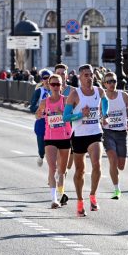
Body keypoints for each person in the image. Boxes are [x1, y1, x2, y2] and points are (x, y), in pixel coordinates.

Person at [63, 64, 109, 217]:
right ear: (80, 77)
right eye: (86, 75)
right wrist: (80, 115)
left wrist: (105, 114)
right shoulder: (74, 95)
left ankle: (93, 196)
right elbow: (66, 117)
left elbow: (105, 101)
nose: (89, 78)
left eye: (91, 75)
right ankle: (80, 201)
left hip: (95, 133)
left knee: (97, 164)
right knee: (80, 171)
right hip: (79, 135)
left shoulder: (98, 90)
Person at [36, 73, 73, 209]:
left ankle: (61, 193)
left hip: (64, 138)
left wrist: (63, 113)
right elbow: (38, 114)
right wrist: (39, 114)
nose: (56, 87)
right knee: (52, 168)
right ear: (49, 86)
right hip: (50, 138)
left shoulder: (66, 100)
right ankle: (54, 199)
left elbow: (73, 116)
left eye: (58, 84)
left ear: (62, 85)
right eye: (53, 84)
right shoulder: (44, 102)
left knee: (62, 171)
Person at [102, 71, 128, 199]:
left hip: (121, 133)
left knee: (121, 166)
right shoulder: (102, 97)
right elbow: (98, 112)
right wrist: (102, 119)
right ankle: (116, 189)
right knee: (113, 160)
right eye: (109, 82)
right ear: (105, 84)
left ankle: (116, 177)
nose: (112, 84)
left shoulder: (123, 95)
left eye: (114, 81)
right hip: (108, 132)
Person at [54, 63, 74, 200]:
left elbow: (78, 111)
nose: (61, 75)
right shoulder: (50, 90)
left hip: (71, 132)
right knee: (60, 164)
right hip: (54, 132)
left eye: (63, 73)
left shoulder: (73, 91)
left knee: (68, 166)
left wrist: (65, 113)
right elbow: (41, 111)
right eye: (58, 73)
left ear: (67, 75)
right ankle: (60, 193)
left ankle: (59, 179)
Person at [30, 69, 52, 167]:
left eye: (49, 78)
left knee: (55, 146)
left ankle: (57, 167)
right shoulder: (39, 91)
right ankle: (41, 155)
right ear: (42, 79)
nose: (47, 80)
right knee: (42, 148)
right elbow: (32, 106)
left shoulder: (56, 89)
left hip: (54, 121)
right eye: (45, 78)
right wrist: (40, 109)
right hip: (42, 121)